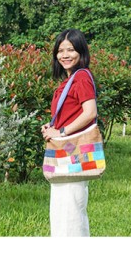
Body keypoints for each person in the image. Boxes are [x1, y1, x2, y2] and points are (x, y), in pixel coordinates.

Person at [41, 29, 97, 237]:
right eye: (60, 50)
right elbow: (71, 113)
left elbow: (90, 112)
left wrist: (62, 131)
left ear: (81, 52)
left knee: (69, 212)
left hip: (73, 151)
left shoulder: (81, 78)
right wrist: (52, 127)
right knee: (63, 210)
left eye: (71, 50)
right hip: (67, 150)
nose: (65, 55)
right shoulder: (70, 80)